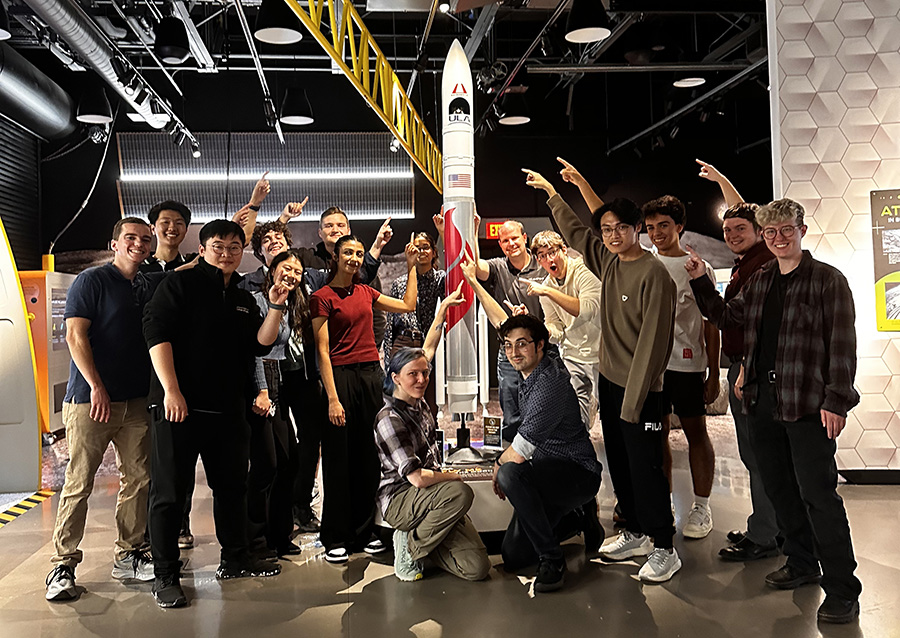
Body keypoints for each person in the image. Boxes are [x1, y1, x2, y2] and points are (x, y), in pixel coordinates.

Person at [686, 198, 862, 624]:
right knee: (780, 489)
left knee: (819, 496)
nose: (779, 238)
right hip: (762, 404)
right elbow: (727, 317)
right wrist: (700, 281)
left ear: (802, 229)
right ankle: (802, 563)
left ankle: (843, 588)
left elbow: (841, 345)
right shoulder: (762, 277)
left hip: (806, 406)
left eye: (786, 229)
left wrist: (837, 400)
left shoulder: (828, 281)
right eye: (771, 232)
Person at [524, 163, 681, 583]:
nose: (612, 235)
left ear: (637, 230)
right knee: (622, 465)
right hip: (611, 383)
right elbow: (577, 233)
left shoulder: (655, 275)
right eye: (607, 229)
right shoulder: (608, 262)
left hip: (641, 391)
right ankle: (635, 531)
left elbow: (653, 346)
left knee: (646, 468)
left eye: (620, 228)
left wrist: (632, 402)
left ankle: (665, 545)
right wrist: (552, 194)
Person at [142, 219, 289, 609]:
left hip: (228, 412)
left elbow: (261, 344)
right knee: (170, 493)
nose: (226, 253)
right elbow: (156, 333)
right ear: (203, 249)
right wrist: (171, 390)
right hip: (179, 410)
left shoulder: (242, 295)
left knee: (231, 489)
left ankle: (235, 558)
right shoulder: (179, 284)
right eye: (219, 246)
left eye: (234, 247)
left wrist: (274, 305)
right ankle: (166, 575)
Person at [460, 257, 604, 591]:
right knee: (512, 555)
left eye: (522, 344)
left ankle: (552, 559)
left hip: (575, 473)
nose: (513, 352)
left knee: (510, 472)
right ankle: (575, 519)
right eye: (508, 346)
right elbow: (501, 321)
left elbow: (521, 450)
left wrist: (497, 466)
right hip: (547, 473)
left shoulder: (549, 382)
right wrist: (474, 283)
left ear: (540, 345)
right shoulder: (530, 372)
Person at [45, 218, 158, 602]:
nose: (139, 244)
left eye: (146, 240)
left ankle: (129, 554)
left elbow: (190, 268)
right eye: (131, 238)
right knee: (79, 482)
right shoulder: (91, 282)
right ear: (114, 243)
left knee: (138, 479)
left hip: (136, 402)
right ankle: (62, 565)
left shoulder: (144, 284)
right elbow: (76, 335)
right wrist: (96, 386)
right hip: (90, 401)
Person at [310, 234, 419, 563]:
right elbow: (323, 352)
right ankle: (335, 536)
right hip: (340, 379)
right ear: (336, 256)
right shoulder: (322, 297)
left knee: (369, 457)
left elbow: (408, 305)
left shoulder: (367, 292)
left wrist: (412, 268)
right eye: (348, 253)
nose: (355, 258)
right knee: (338, 458)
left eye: (359, 253)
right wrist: (332, 398)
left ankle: (365, 531)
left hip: (372, 375)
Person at [375, 285, 491, 583]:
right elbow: (416, 478)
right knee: (459, 492)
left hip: (428, 497)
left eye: (424, 373)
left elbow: (427, 349)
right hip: (401, 497)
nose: (422, 379)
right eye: (413, 374)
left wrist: (441, 313)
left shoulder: (417, 400)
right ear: (395, 377)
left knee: (477, 569)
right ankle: (410, 546)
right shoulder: (389, 418)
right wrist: (454, 476)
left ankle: (425, 542)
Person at [697, 159, 780, 562]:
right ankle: (769, 526)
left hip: (751, 370)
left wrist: (723, 181)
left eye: (739, 230)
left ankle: (767, 534)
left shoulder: (762, 261)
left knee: (759, 454)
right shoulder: (749, 262)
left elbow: (735, 318)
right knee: (755, 454)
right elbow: (743, 213)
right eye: (726, 231)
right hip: (744, 367)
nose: (731, 236)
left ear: (760, 233)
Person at [642, 195, 719, 539]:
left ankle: (701, 507)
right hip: (652, 369)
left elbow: (711, 323)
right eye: (651, 227)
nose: (657, 233)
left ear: (679, 227)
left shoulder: (696, 267)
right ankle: (664, 503)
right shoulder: (644, 264)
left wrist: (714, 372)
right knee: (656, 438)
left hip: (687, 367)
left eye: (663, 225)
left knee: (695, 433)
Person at [433, 210, 546, 441]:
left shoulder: (542, 267)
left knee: (541, 406)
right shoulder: (498, 266)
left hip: (540, 350)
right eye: (505, 240)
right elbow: (474, 267)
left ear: (525, 238)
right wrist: (474, 232)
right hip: (509, 353)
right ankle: (510, 460)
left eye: (514, 238)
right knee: (511, 409)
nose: (511, 243)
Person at [526, 230, 605, 553]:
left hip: (603, 357)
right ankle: (586, 507)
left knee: (615, 429)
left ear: (563, 250)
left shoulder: (583, 272)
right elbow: (555, 329)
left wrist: (547, 290)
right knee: (574, 431)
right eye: (542, 257)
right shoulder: (546, 287)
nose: (548, 261)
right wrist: (532, 325)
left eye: (552, 253)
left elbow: (586, 310)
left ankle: (629, 506)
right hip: (573, 358)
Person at [247, 249, 309, 557]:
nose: (292, 275)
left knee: (288, 461)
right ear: (272, 270)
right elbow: (256, 350)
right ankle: (256, 540)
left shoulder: (291, 303)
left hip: (279, 382)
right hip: (262, 381)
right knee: (265, 466)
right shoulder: (259, 301)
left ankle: (280, 534)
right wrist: (261, 390)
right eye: (286, 268)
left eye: (297, 271)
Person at [383, 231, 446, 416]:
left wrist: (442, 232)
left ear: (434, 252)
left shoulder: (440, 279)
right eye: (417, 247)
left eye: (425, 247)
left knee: (428, 397)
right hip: (402, 342)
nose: (421, 251)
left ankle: (428, 436)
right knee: (401, 396)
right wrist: (388, 359)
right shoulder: (399, 283)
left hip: (427, 343)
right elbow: (390, 323)